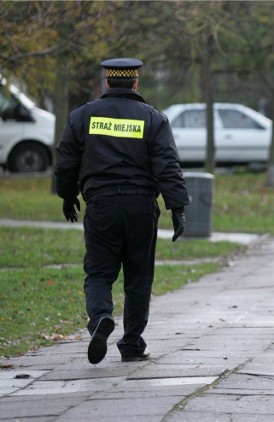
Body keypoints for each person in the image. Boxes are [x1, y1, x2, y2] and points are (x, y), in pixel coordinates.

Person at [55, 58, 190, 364]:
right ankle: (131, 344)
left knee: (99, 272)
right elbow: (167, 166)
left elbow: (65, 161)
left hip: (100, 205)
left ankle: (101, 317)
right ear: (135, 83)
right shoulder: (153, 118)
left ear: (106, 83)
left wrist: (67, 195)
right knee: (139, 277)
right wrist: (178, 207)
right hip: (141, 206)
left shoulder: (83, 115)